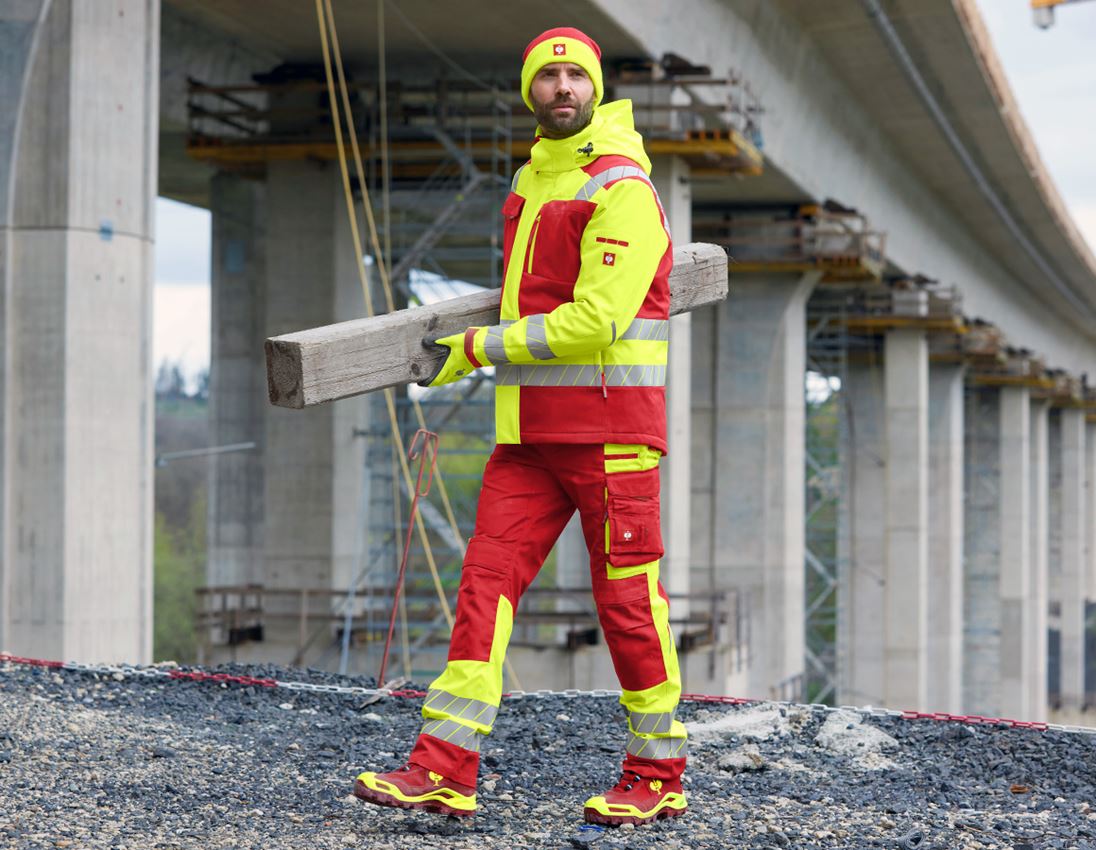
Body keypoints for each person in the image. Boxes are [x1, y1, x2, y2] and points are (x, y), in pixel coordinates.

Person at [353, 26, 687, 826]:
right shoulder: (532, 183)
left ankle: (658, 771)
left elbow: (596, 321)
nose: (563, 87)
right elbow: (525, 302)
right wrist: (483, 347)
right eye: (549, 76)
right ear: (530, 91)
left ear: (596, 89)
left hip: (611, 434)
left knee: (628, 605)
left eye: (577, 75)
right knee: (483, 590)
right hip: (529, 439)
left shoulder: (623, 189)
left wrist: (472, 350)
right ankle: (443, 767)